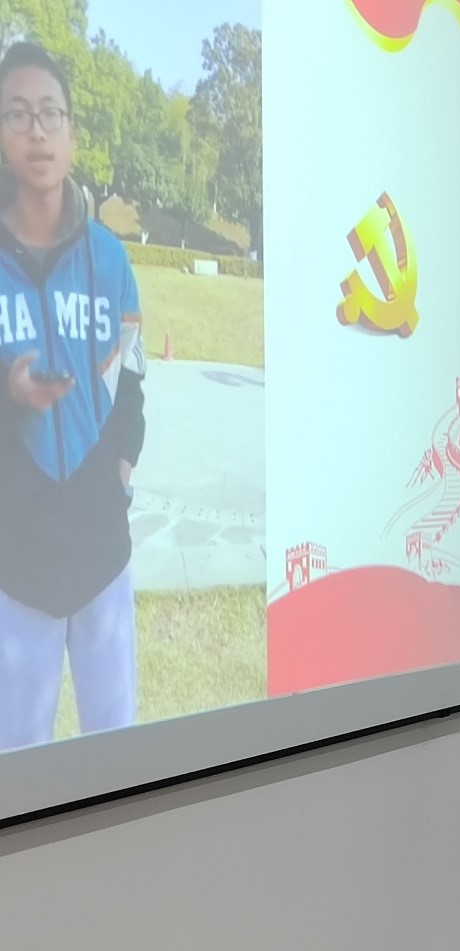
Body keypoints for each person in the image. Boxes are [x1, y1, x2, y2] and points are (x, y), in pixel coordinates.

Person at [0, 42, 146, 751]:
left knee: (116, 762)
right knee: (16, 766)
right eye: (18, 113)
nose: (37, 131)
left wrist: (117, 475)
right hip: (15, 565)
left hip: (100, 556)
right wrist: (8, 394)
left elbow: (132, 385)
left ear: (72, 134)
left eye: (50, 113)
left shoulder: (110, 260)